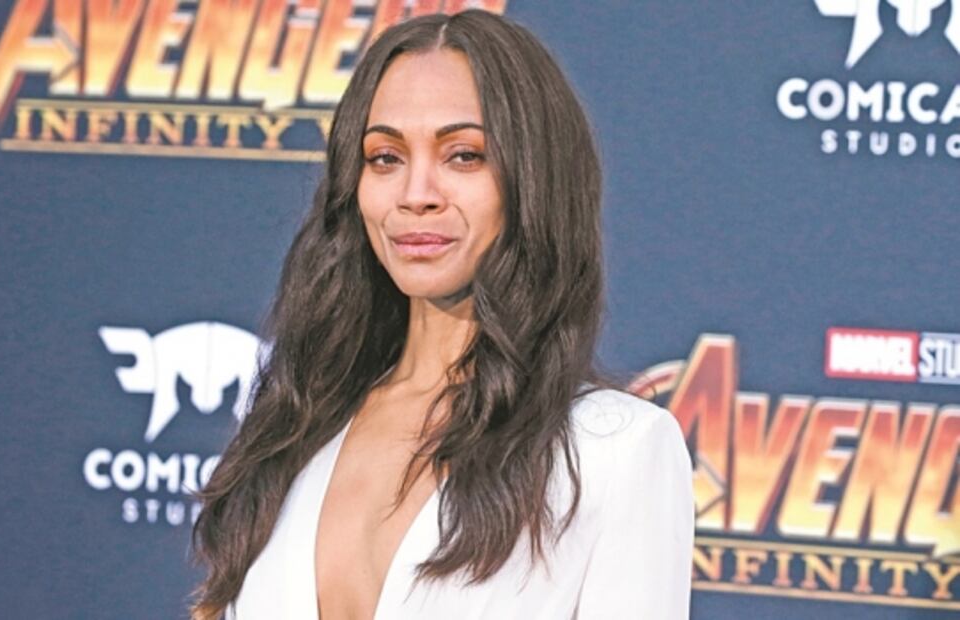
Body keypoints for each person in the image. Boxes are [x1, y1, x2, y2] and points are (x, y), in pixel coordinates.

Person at [189, 9, 693, 620]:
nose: (415, 194)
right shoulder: (297, 423)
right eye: (385, 157)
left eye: (463, 155)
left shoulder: (615, 450)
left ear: (533, 179)